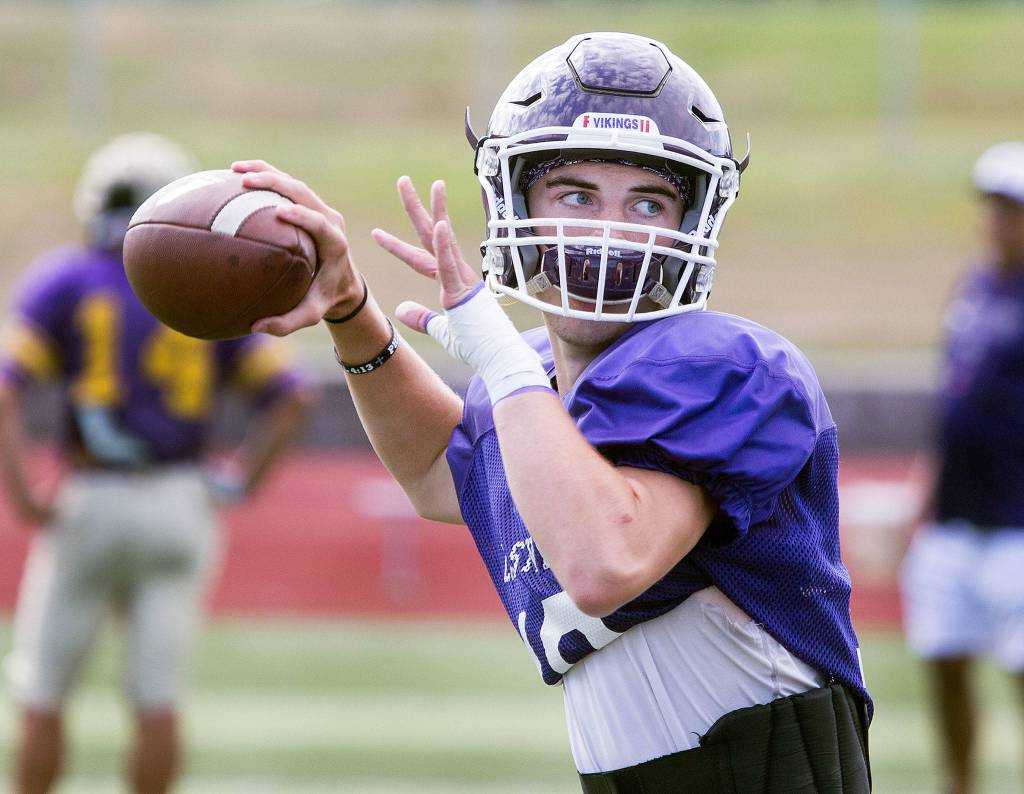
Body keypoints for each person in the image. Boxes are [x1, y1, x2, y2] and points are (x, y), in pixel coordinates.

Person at [233, 32, 870, 791]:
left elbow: (605, 563)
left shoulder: (721, 368)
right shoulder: (534, 380)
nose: (608, 230)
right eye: (575, 195)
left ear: (691, 224)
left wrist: (502, 368)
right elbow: (442, 471)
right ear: (510, 199)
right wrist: (350, 309)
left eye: (648, 201)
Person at [0, 132, 313, 794]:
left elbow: (7, 387)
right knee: (157, 698)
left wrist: (26, 494)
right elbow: (291, 395)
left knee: (44, 689)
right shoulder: (208, 287)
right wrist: (239, 481)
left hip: (91, 499)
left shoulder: (66, 278)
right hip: (180, 501)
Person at [900, 141, 1024, 794]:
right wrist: (922, 497)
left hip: (1018, 522)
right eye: (995, 207)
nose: (1000, 222)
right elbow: (952, 401)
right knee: (943, 661)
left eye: (1013, 210)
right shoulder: (973, 287)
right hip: (955, 516)